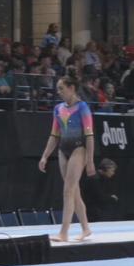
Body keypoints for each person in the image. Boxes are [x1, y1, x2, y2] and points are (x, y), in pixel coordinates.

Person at [37, 76, 95, 241]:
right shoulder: (58, 108)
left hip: (79, 149)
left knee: (68, 191)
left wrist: (90, 161)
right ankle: (85, 228)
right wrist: (44, 156)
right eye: (58, 89)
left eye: (62, 88)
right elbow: (54, 135)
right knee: (74, 191)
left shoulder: (83, 107)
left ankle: (64, 232)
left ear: (72, 88)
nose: (59, 92)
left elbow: (90, 136)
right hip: (63, 149)